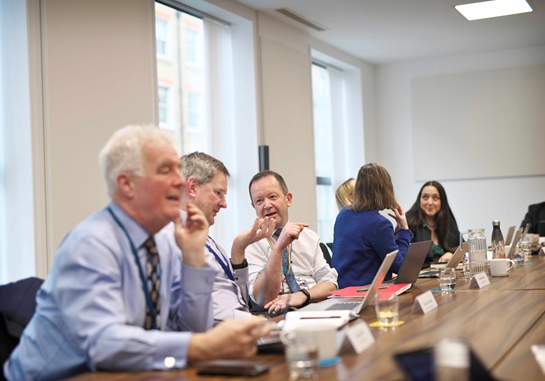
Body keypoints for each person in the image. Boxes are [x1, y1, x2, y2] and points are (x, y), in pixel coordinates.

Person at [4, 125, 270, 381]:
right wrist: (199, 346)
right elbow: (103, 344)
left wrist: (193, 261)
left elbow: (194, 327)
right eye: (166, 171)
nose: (179, 182)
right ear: (127, 184)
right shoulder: (91, 243)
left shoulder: (165, 242)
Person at [179, 152, 274, 323]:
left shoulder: (209, 241)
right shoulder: (172, 239)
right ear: (192, 187)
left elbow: (240, 301)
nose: (224, 204)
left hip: (243, 329)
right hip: (223, 337)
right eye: (219, 193)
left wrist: (238, 250)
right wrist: (257, 323)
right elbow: (196, 311)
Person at [245, 170, 338, 315]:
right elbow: (261, 299)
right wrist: (279, 247)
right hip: (278, 314)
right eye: (259, 201)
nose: (267, 205)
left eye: (272, 197)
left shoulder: (309, 237)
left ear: (288, 199)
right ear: (254, 207)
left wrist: (303, 295)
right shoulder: (251, 244)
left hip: (313, 304)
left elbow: (330, 283)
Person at [332, 163, 412, 288]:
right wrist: (404, 230)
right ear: (385, 190)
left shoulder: (343, 214)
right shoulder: (379, 224)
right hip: (364, 293)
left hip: (341, 290)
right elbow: (399, 266)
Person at [406, 180, 461, 267]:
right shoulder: (408, 222)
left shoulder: (447, 220)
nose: (430, 202)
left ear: (442, 202)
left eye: (435, 198)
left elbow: (463, 248)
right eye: (425, 197)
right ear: (419, 200)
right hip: (419, 277)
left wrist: (451, 254)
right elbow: (402, 257)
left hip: (445, 274)